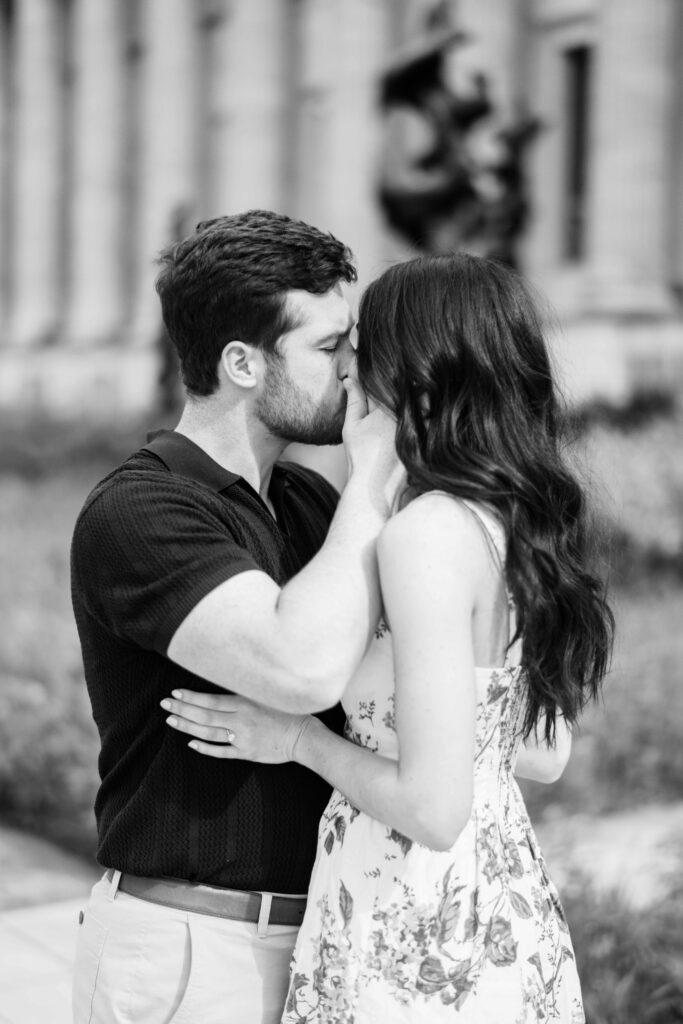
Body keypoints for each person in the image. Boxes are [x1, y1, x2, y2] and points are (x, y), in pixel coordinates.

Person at [164, 253, 615, 1022]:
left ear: (414, 374)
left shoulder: (424, 539)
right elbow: (541, 752)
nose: (346, 369)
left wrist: (298, 740)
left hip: (413, 924)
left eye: (362, 346)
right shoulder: (512, 524)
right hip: (498, 906)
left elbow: (433, 809)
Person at [69, 210, 403, 1024]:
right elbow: (300, 669)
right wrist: (371, 475)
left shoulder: (302, 500)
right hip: (191, 950)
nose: (355, 372)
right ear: (242, 363)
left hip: (320, 941)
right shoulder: (142, 510)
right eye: (328, 349)